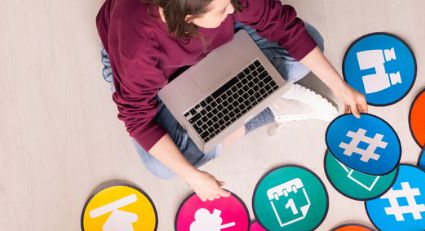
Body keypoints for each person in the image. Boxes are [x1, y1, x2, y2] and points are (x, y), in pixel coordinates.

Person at [96, 0, 367, 201]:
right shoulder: (139, 50)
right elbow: (137, 118)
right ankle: (266, 110)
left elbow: (283, 26)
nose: (233, 7)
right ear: (189, 18)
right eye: (223, 8)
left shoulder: (226, 2)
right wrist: (194, 178)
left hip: (210, 41)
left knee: (309, 47)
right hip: (153, 74)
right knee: (162, 167)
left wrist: (339, 85)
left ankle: (245, 105)